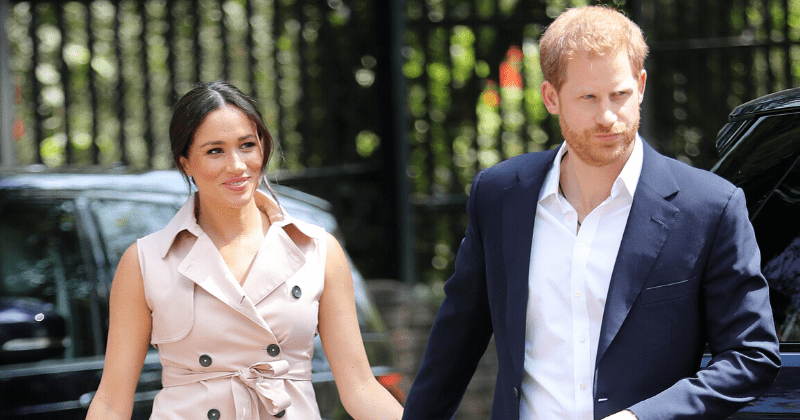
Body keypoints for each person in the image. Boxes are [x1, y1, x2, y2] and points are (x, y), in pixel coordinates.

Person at [402, 5, 780, 420]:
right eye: (587, 97)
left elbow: (751, 357)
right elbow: (454, 344)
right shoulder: (499, 195)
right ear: (551, 97)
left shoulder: (709, 206)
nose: (607, 117)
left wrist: (642, 418)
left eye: (619, 95)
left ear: (641, 85)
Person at [86, 81, 404, 420]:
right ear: (185, 164)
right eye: (215, 151)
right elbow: (111, 402)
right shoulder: (146, 261)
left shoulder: (317, 250)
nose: (237, 165)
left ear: (263, 148)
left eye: (247, 145)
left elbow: (360, 388)